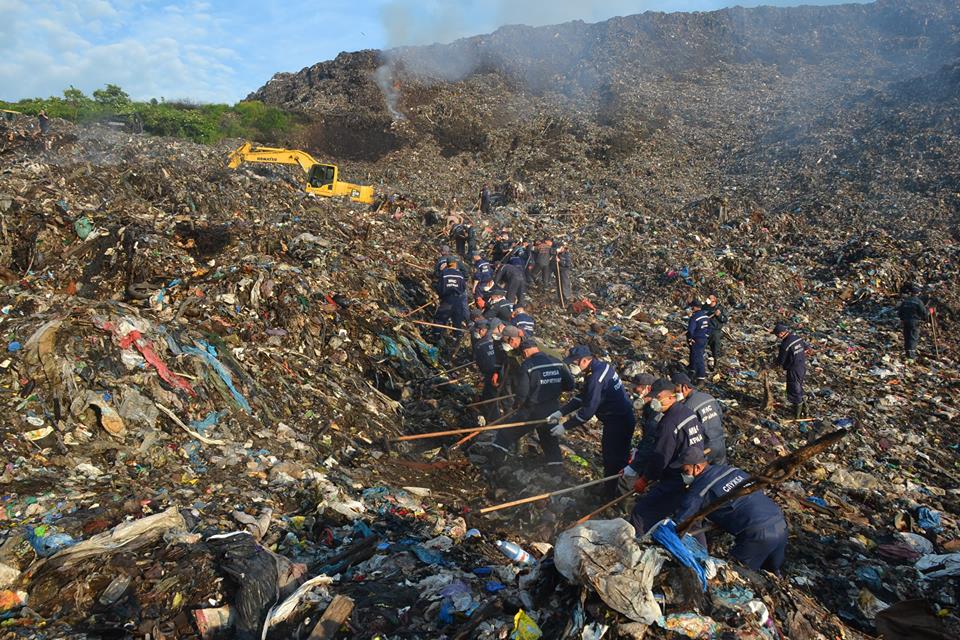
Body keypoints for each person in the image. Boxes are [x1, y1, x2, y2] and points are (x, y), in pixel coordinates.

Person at [673, 447, 788, 574]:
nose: (684, 475)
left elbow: (683, 522)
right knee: (772, 575)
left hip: (758, 535)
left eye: (686, 471)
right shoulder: (732, 471)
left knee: (736, 576)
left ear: (698, 467)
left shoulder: (699, 489)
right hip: (780, 523)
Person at [624, 378, 705, 536]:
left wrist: (645, 479)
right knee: (688, 519)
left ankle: (639, 544)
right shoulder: (687, 412)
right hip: (694, 473)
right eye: (654, 397)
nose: (655, 401)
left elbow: (661, 457)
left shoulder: (669, 423)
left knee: (641, 513)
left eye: (659, 398)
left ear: (671, 397)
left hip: (677, 477)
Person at [553, 346, 636, 498]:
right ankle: (610, 489)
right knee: (612, 457)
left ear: (585, 360)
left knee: (614, 459)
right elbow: (583, 396)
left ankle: (614, 495)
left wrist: (564, 427)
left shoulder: (596, 378)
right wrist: (561, 412)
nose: (573, 366)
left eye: (574, 363)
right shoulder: (600, 367)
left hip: (618, 422)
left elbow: (587, 412)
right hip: (619, 418)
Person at [488, 338, 575, 469]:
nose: (523, 356)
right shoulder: (557, 362)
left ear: (526, 351)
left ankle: (494, 464)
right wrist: (553, 387)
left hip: (532, 411)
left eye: (522, 353)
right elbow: (570, 385)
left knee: (506, 433)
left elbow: (522, 392)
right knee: (550, 441)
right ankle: (556, 471)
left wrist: (517, 405)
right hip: (553, 410)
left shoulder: (528, 365)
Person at [671, 373, 727, 465]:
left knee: (703, 475)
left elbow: (689, 432)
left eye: (676, 390)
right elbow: (720, 417)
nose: (674, 393)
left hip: (705, 447)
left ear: (684, 387)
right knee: (721, 473)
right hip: (720, 443)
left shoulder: (688, 407)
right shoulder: (709, 397)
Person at [774, 322, 808, 419]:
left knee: (794, 390)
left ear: (781, 333)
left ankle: (796, 415)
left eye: (777, 334)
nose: (777, 337)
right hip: (802, 367)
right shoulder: (797, 338)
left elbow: (781, 360)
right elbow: (806, 348)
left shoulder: (785, 345)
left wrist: (774, 365)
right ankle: (804, 410)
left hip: (793, 370)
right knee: (799, 387)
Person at [471, 320, 501, 423]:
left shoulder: (479, 345)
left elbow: (480, 364)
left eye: (477, 330)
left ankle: (494, 421)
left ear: (483, 330)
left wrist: (484, 373)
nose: (476, 332)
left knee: (490, 396)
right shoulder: (497, 339)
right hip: (502, 371)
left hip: (491, 374)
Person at [433, 259, 468, 343]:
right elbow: (463, 287)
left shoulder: (444, 274)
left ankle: (437, 336)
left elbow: (439, 287)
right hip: (457, 300)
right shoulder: (460, 275)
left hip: (446, 300)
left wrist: (441, 295)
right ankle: (458, 338)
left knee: (440, 318)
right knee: (457, 319)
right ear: (454, 264)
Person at [898, 284, 929, 361]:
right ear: (917, 293)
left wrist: (902, 318)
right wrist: (930, 311)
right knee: (913, 337)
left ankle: (907, 352)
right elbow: (924, 313)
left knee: (907, 336)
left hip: (905, 321)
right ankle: (911, 355)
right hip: (914, 322)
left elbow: (899, 312)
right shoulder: (919, 302)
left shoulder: (905, 301)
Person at [686, 300, 712, 383]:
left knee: (699, 358)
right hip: (703, 339)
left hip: (696, 340)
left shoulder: (694, 317)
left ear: (695, 307)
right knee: (694, 355)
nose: (691, 308)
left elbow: (690, 330)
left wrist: (690, 338)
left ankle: (701, 377)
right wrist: (706, 335)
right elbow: (710, 328)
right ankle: (692, 371)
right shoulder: (705, 316)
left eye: (692, 306)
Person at [704, 293, 728, 367]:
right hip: (705, 330)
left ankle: (715, 365)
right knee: (702, 347)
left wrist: (719, 315)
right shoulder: (704, 307)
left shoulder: (720, 308)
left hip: (715, 331)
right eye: (708, 298)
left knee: (715, 349)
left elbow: (725, 319)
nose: (708, 299)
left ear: (714, 300)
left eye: (710, 298)